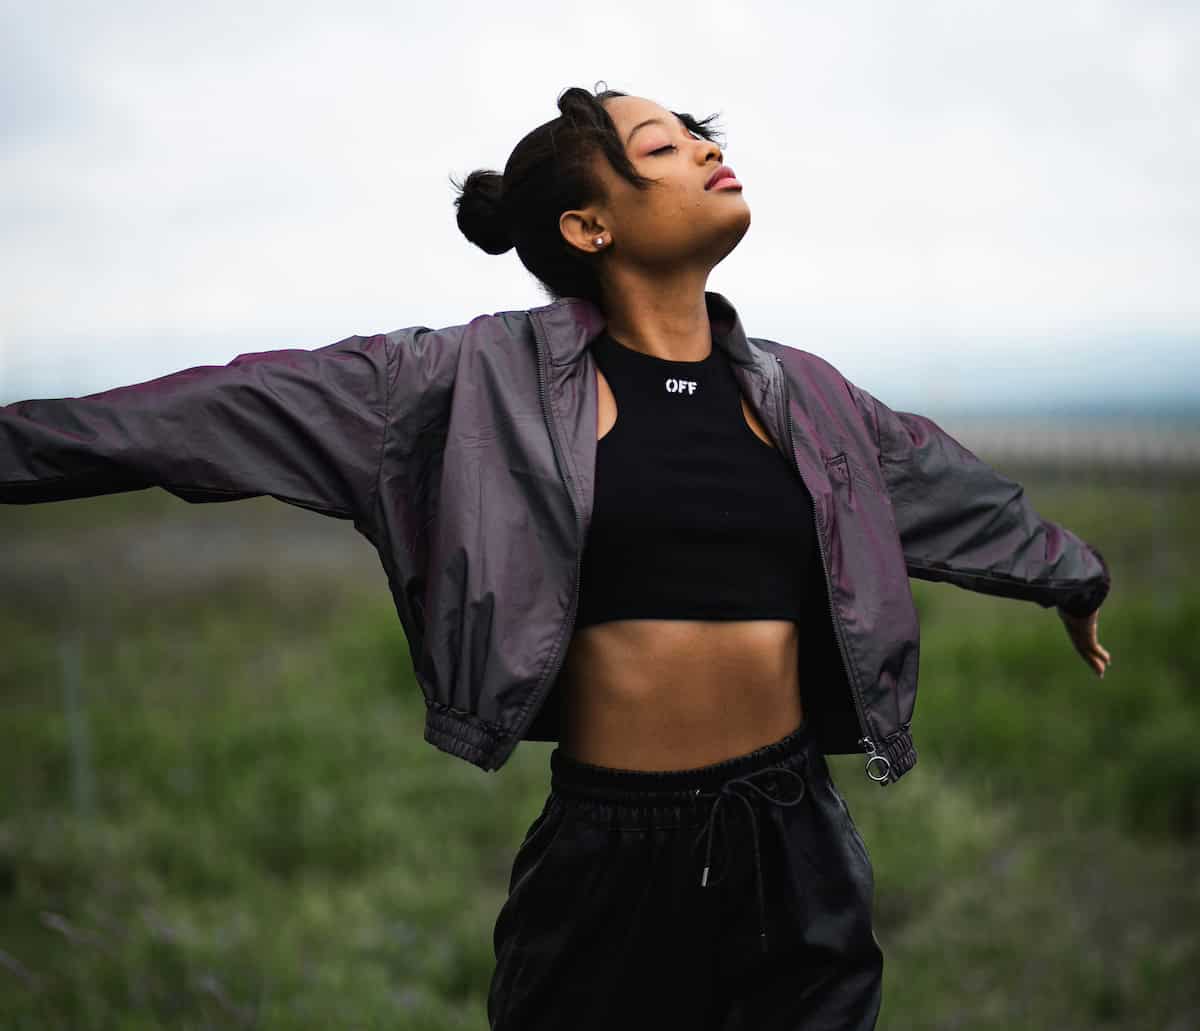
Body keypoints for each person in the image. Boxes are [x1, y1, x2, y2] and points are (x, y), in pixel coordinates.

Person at [0, 84, 1111, 1030]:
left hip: (796, 838)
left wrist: (1070, 572)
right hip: (610, 850)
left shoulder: (808, 396)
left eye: (704, 133)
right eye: (666, 147)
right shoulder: (464, 380)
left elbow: (946, 485)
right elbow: (217, 408)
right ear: (590, 226)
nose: (712, 150)